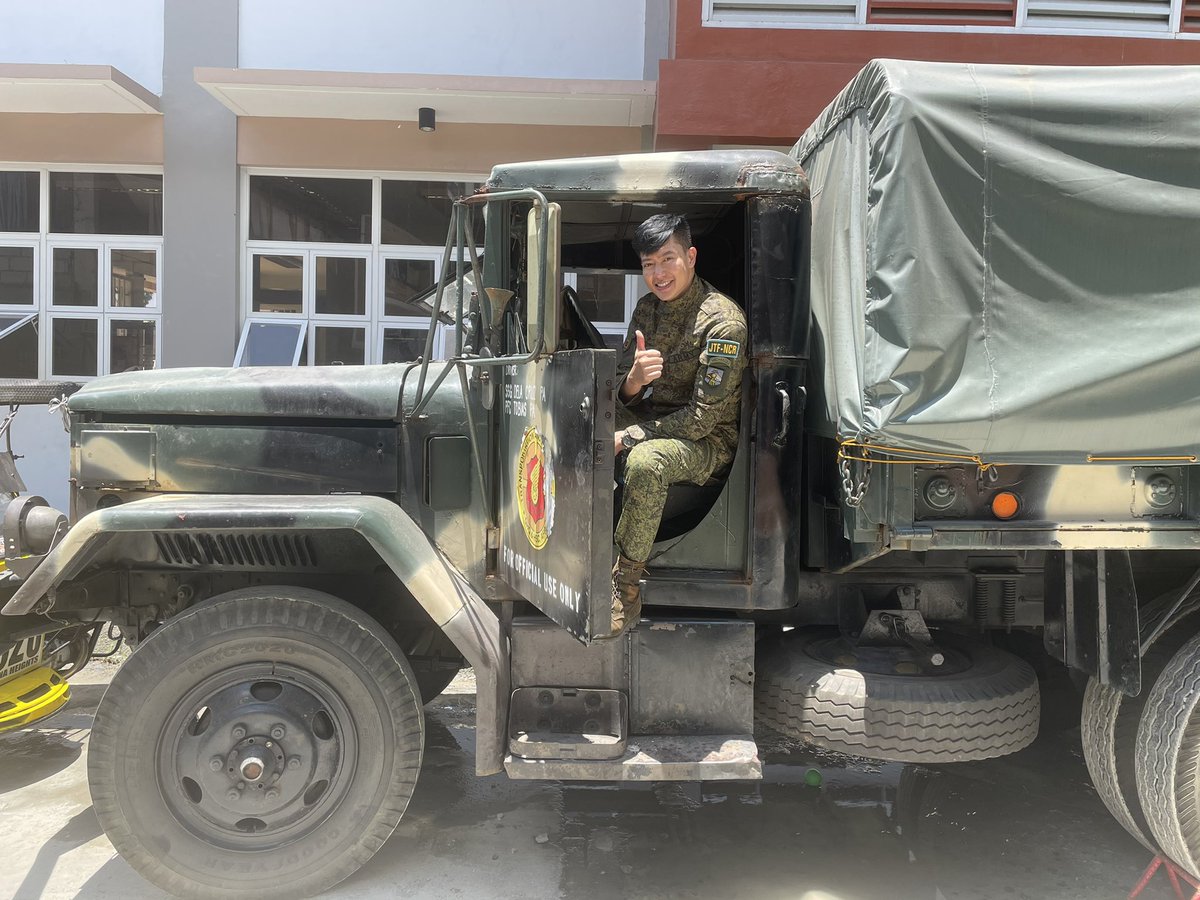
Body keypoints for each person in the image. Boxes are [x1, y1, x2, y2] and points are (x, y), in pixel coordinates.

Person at [608, 214, 748, 637]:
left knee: (647, 462)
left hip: (709, 441)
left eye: (667, 259)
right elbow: (620, 385)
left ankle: (626, 584)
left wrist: (628, 436)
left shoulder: (723, 322)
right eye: (648, 264)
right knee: (581, 415)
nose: (658, 273)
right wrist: (633, 381)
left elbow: (702, 419)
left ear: (690, 256)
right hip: (660, 420)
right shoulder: (647, 309)